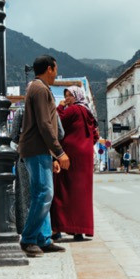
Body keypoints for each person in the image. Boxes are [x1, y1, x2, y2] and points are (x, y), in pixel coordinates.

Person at [16, 55, 70, 257]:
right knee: (43, 194)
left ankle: (44, 238)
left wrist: (53, 156)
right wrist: (60, 152)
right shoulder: (39, 89)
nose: (56, 73)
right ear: (49, 68)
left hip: (41, 150)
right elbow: (45, 124)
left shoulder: (39, 89)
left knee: (43, 194)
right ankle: (29, 238)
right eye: (55, 69)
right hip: (36, 149)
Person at [52, 85, 98, 242]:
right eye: (65, 96)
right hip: (85, 157)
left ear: (77, 96)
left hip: (69, 156)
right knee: (82, 193)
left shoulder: (72, 110)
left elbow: (56, 123)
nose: (67, 98)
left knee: (63, 191)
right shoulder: (88, 112)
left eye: (70, 95)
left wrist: (60, 106)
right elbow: (96, 135)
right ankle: (81, 230)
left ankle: (58, 228)